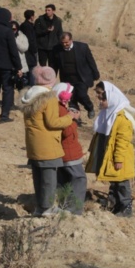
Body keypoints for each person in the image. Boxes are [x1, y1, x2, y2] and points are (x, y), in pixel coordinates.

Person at [20, 66, 76, 216]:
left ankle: (40, 207)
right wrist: (69, 116)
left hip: (33, 143)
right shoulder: (49, 97)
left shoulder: (29, 94)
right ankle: (48, 208)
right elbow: (53, 122)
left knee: (38, 178)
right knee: (49, 180)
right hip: (47, 145)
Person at [86, 81, 135, 217]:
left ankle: (126, 207)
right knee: (114, 180)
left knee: (122, 182)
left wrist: (118, 159)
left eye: (103, 98)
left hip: (119, 158)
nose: (100, 101)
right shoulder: (107, 115)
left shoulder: (122, 119)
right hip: (110, 155)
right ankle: (114, 204)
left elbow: (122, 142)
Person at [53, 82, 87, 215]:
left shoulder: (55, 107)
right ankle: (74, 210)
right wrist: (73, 119)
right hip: (69, 152)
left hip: (61, 152)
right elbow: (67, 132)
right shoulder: (61, 109)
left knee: (63, 180)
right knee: (78, 179)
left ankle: (64, 206)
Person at [52, 32, 100, 119]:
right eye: (62, 43)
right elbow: (54, 65)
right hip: (66, 78)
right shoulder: (56, 49)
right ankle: (74, 117)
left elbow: (91, 61)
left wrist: (95, 73)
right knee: (70, 98)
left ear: (71, 40)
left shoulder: (82, 47)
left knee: (81, 94)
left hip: (81, 77)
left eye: (66, 42)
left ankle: (90, 107)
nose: (64, 44)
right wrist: (52, 77)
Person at [19, 10, 39, 84]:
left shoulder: (24, 25)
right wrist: (34, 50)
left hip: (27, 51)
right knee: (31, 71)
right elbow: (31, 40)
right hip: (29, 52)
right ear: (31, 17)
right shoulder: (27, 26)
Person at [12, 20, 31, 86]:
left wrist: (14, 40)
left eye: (14, 29)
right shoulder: (5, 36)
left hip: (22, 66)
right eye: (11, 29)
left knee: (23, 87)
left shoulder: (22, 36)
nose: (13, 31)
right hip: (10, 67)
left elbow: (24, 48)